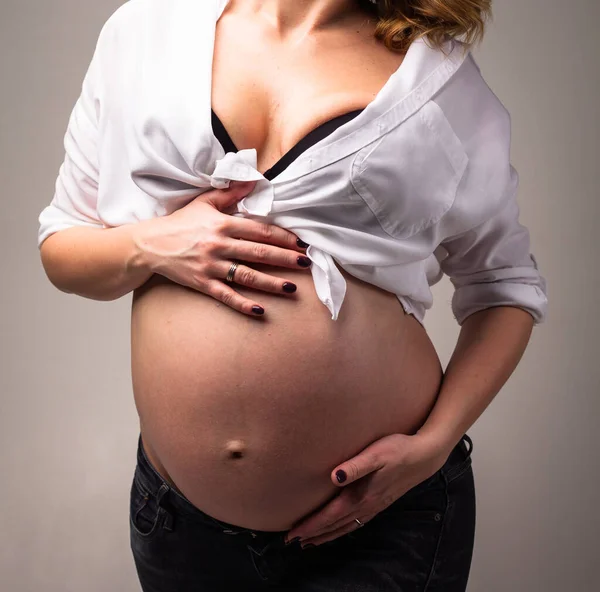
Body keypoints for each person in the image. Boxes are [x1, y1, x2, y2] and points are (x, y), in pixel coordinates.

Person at [38, 0, 548, 590]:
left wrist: (434, 445)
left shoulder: (440, 82)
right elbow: (63, 249)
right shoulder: (145, 30)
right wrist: (153, 246)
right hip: (182, 530)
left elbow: (504, 286)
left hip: (380, 528)